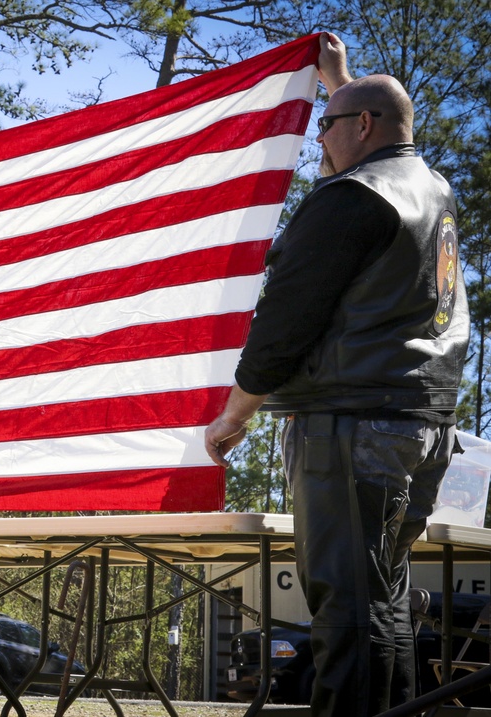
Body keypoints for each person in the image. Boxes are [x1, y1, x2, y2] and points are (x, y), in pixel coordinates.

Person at [204, 33, 470, 717]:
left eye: (327, 126)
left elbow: (283, 324)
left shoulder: (350, 198)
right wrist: (340, 83)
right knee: (383, 599)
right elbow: (384, 130)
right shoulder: (431, 190)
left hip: (352, 428)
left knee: (347, 607)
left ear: (362, 127)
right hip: (423, 426)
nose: (316, 142)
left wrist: (235, 413)